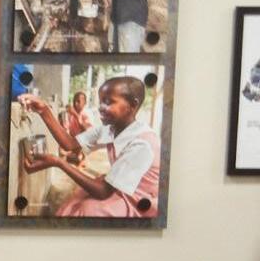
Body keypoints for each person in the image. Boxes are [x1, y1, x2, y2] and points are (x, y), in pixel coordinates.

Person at [19, 75, 159, 218]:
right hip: (118, 187)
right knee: (75, 202)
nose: (101, 108)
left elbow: (103, 191)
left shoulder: (142, 143)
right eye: (101, 101)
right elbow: (69, 144)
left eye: (109, 102)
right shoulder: (110, 128)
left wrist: (58, 162)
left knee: (88, 209)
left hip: (138, 199)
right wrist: (44, 110)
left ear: (133, 105)